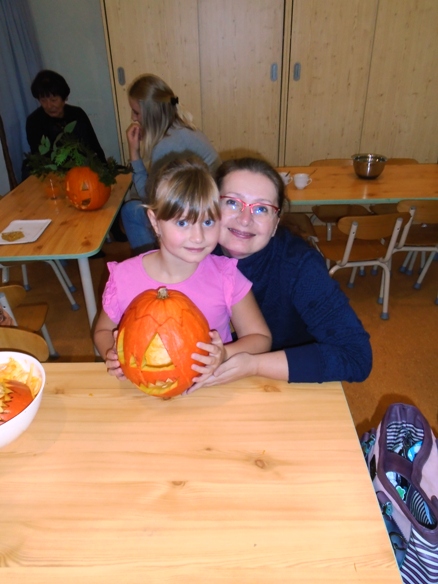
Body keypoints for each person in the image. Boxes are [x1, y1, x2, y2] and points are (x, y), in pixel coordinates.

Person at [187, 157, 372, 391]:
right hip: (210, 378)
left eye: (261, 208)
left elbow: (356, 356)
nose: (245, 219)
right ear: (211, 207)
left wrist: (254, 364)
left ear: (275, 223)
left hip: (282, 379)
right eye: (232, 202)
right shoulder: (192, 250)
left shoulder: (299, 266)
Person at [94, 157, 271, 387]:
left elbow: (261, 339)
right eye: (182, 223)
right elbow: (103, 330)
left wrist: (225, 353)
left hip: (213, 390)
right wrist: (111, 353)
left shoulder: (225, 276)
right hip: (141, 390)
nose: (198, 237)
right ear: (155, 222)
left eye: (208, 222)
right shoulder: (124, 277)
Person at [121, 74, 221, 255]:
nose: (133, 117)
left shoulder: (168, 146)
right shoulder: (182, 129)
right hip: (201, 203)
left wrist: (134, 154)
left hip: (199, 211)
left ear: (150, 116)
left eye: (136, 112)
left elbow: (152, 199)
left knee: (130, 211)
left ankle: (154, 262)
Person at [25, 70, 106, 164]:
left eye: (54, 100)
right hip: (52, 170)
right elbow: (38, 158)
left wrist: (104, 168)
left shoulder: (77, 114)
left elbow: (94, 147)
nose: (49, 106)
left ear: (64, 98)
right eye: (43, 100)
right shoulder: (34, 121)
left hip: (83, 167)